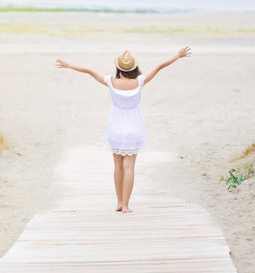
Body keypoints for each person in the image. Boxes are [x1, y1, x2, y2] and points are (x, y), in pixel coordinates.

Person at [55, 47, 191, 213]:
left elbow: (89, 71)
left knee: (118, 167)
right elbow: (159, 66)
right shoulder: (139, 82)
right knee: (129, 168)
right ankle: (126, 205)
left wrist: (69, 65)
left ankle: (119, 202)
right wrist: (177, 56)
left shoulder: (111, 82)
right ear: (134, 68)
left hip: (116, 126)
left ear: (118, 68)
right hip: (134, 127)